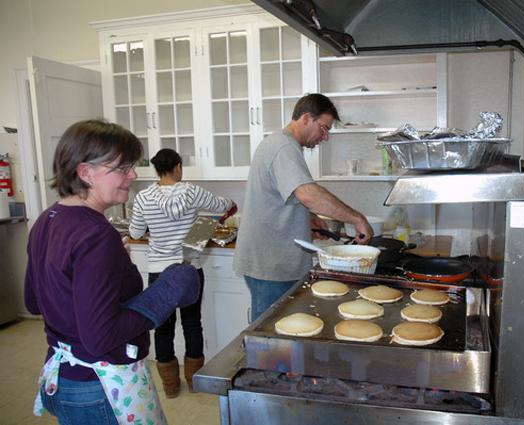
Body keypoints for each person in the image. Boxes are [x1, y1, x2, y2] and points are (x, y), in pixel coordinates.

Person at [25, 119, 200, 425]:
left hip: (65, 380)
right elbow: (100, 337)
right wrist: (168, 290)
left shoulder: (48, 219)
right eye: (122, 168)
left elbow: (35, 302)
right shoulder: (95, 234)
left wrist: (106, 269)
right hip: (100, 388)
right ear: (85, 172)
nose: (133, 175)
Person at [233, 93, 374, 321]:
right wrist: (357, 219)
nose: (325, 137)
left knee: (282, 335)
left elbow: (284, 197)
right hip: (271, 267)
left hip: (275, 264)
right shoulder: (283, 148)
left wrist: (306, 218)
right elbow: (308, 194)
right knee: (270, 341)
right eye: (324, 128)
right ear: (307, 118)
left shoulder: (283, 145)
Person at [129, 148, 237, 398]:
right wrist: (231, 205)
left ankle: (170, 386)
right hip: (189, 269)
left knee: (163, 328)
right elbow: (221, 205)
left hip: (159, 271)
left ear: (156, 169)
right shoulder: (191, 191)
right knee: (192, 324)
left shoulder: (144, 197)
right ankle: (193, 380)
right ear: (178, 166)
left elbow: (135, 233)